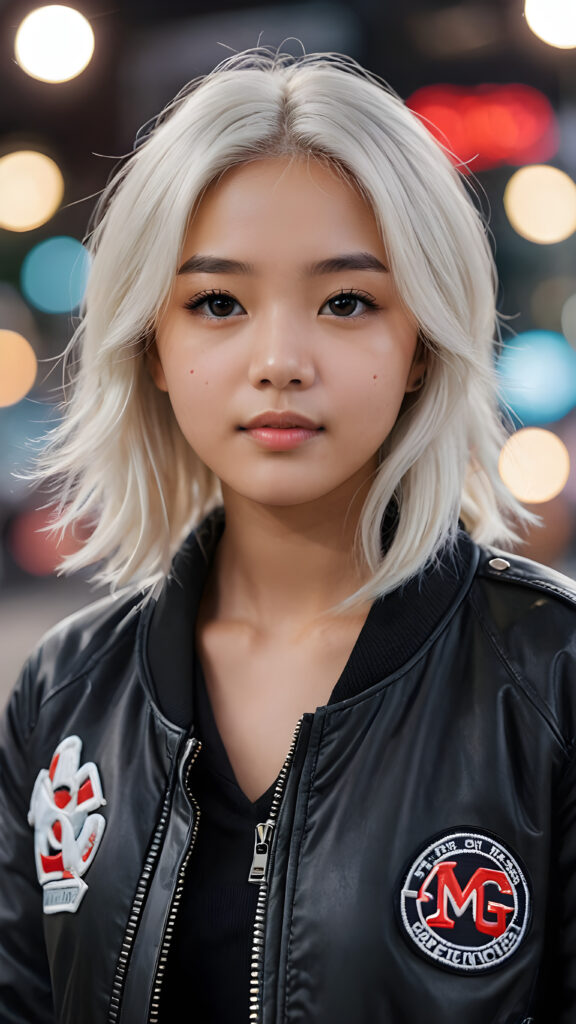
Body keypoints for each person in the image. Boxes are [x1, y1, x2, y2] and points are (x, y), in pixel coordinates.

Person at [0, 45, 575, 1024]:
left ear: (421, 344)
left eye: (346, 301)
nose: (279, 360)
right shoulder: (63, 694)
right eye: (217, 303)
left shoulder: (551, 679)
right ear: (154, 346)